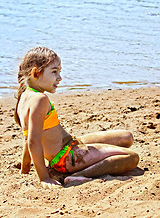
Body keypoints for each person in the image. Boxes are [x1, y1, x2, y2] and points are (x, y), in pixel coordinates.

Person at [14, 47, 139, 189]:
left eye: (59, 72)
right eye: (54, 72)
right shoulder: (39, 100)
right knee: (132, 158)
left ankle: (77, 169)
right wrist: (44, 178)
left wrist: (25, 170)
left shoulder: (24, 97)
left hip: (71, 144)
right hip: (67, 157)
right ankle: (78, 175)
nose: (60, 78)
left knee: (126, 137)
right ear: (36, 73)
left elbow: (28, 137)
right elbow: (32, 141)